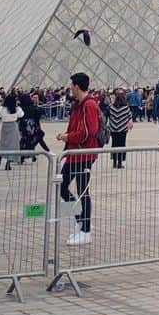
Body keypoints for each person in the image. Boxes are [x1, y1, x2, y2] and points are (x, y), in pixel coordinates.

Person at [56, 72, 101, 246]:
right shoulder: (78, 105)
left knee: (83, 191)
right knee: (62, 187)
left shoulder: (88, 105)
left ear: (77, 86)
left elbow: (87, 132)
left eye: (71, 85)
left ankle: (86, 230)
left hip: (84, 154)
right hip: (74, 154)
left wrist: (67, 137)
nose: (70, 88)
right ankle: (79, 220)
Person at [0, 93, 22, 169]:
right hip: (13, 126)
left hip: (5, 126)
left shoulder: (2, 108)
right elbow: (21, 115)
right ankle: (8, 163)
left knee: (2, 144)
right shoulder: (17, 109)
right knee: (12, 145)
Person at [108, 91, 132, 168]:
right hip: (122, 130)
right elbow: (130, 116)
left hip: (113, 129)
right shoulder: (126, 108)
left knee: (114, 145)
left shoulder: (111, 107)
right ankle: (120, 162)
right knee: (121, 145)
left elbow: (109, 116)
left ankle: (114, 162)